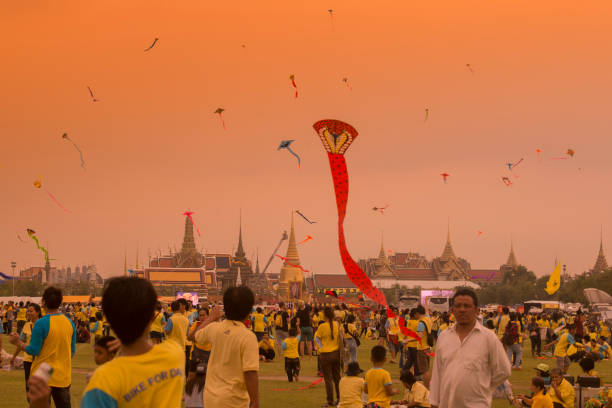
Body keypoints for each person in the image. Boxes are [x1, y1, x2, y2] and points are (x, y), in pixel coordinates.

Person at [429, 288, 511, 408]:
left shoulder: (488, 338)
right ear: (452, 310)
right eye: (458, 306)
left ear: (476, 310)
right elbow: (437, 374)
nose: (462, 310)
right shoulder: (444, 337)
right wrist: (434, 403)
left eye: (467, 306)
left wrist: (485, 386)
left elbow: (504, 370)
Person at [190, 286, 260, 408]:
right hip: (233, 400)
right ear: (249, 310)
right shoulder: (248, 337)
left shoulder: (215, 328)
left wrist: (211, 318)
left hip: (210, 398)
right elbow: (250, 372)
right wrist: (255, 402)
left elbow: (192, 336)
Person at [9, 287, 76, 408]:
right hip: (63, 376)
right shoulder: (69, 322)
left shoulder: (40, 323)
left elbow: (34, 350)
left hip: (42, 376)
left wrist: (17, 342)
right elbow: (72, 351)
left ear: (43, 302)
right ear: (60, 302)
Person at [315, 306, 344, 407]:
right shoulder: (337, 325)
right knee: (337, 378)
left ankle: (330, 400)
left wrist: (321, 347)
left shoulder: (322, 326)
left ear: (325, 315)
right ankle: (340, 399)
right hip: (336, 354)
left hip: (325, 355)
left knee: (328, 379)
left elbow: (317, 339)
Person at [10, 303, 42, 392]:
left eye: (31, 311)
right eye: (28, 311)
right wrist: (13, 357)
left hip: (40, 361)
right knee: (29, 388)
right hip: (28, 361)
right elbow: (21, 343)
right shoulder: (27, 325)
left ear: (38, 312)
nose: (28, 313)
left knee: (40, 389)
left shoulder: (44, 325)